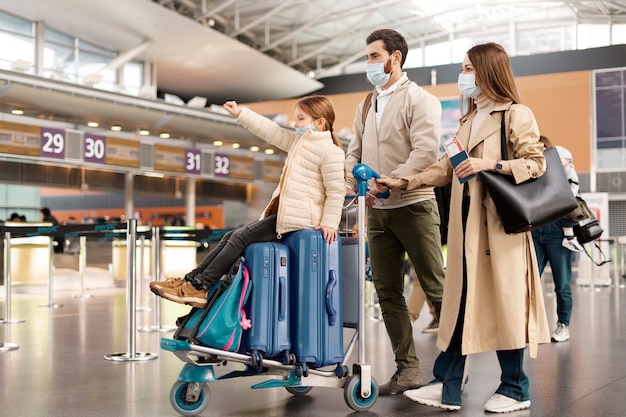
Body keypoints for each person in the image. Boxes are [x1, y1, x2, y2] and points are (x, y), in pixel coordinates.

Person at [376, 42, 551, 413]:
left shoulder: (515, 114)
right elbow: (445, 168)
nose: (464, 75)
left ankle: (516, 388)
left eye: (469, 68)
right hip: (467, 230)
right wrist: (405, 181)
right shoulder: (468, 120)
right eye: (463, 67)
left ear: (488, 71)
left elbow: (536, 163)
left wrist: (489, 165)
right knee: (458, 304)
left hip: (500, 230)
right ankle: (447, 384)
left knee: (506, 306)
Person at [150, 95, 346, 308]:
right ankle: (190, 282)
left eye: (300, 119)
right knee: (230, 236)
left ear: (319, 122)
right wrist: (241, 114)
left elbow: (336, 191)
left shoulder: (331, 152)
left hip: (301, 219)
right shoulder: (298, 143)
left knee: (240, 238)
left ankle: (200, 286)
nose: (294, 124)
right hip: (286, 214)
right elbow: (271, 131)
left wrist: (329, 223)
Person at [344, 28, 445, 396]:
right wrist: (359, 183)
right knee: (387, 291)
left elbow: (424, 151)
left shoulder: (421, 100)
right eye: (367, 56)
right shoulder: (366, 104)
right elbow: (353, 153)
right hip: (377, 211)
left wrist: (394, 180)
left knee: (436, 287)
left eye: (373, 56)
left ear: (395, 57)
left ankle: (456, 365)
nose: (368, 63)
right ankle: (408, 371)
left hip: (414, 205)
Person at [532, 136, 580, 343]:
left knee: (562, 283)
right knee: (531, 281)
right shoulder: (531, 166)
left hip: (559, 229)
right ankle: (532, 325)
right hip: (536, 227)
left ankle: (563, 324)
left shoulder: (562, 165)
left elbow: (570, 195)